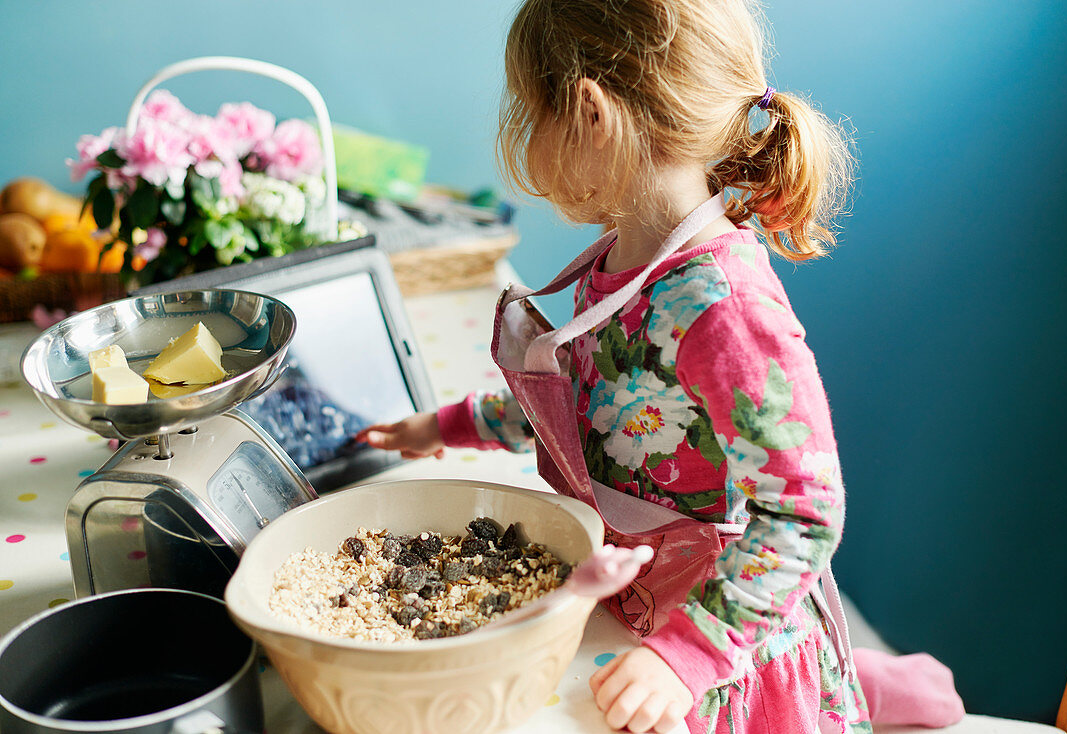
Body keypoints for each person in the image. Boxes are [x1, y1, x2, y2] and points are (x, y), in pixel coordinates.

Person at [362, 1, 961, 732]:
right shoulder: (626, 256)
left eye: (530, 110)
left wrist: (691, 655)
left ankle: (846, 681)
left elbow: (803, 513)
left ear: (590, 113)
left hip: (717, 643)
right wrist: (449, 425)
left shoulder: (722, 309)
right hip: (643, 594)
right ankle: (862, 680)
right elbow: (589, 400)